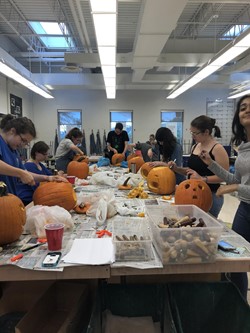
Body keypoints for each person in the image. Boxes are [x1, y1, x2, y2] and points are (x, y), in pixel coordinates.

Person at [200, 95, 250, 299]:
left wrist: (235, 187)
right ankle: (236, 304)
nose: (246, 110)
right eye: (243, 107)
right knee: (234, 260)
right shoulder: (244, 148)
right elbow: (234, 178)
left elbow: (237, 184)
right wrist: (211, 164)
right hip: (245, 210)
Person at [169, 116, 229, 217]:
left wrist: (202, 179)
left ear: (206, 132)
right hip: (191, 194)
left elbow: (224, 176)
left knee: (204, 228)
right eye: (191, 132)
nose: (192, 136)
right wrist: (176, 168)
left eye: (195, 133)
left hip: (210, 196)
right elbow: (191, 171)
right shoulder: (195, 146)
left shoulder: (218, 149)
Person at [0, 115, 65, 196]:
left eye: (26, 143)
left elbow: (25, 173)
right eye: (23, 140)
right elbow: (21, 173)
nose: (23, 145)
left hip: (10, 198)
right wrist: (20, 173)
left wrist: (47, 178)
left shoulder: (14, 151)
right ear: (12, 131)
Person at [17, 141, 64, 205]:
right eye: (45, 154)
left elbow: (50, 176)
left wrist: (59, 175)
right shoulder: (29, 166)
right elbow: (38, 186)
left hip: (37, 197)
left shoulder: (40, 165)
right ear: (36, 153)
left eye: (47, 154)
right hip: (28, 200)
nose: (46, 157)